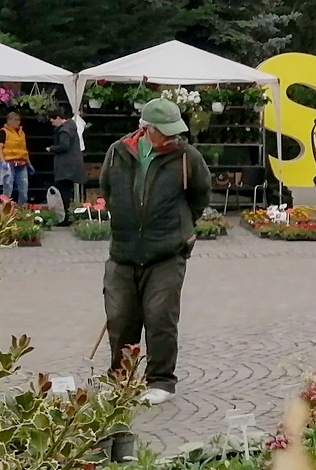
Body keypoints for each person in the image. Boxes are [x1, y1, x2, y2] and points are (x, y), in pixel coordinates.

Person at [100, 99, 213, 403]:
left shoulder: (188, 156)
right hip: (123, 252)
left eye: (176, 131)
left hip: (167, 252)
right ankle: (120, 379)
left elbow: (200, 194)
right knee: (120, 318)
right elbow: (107, 190)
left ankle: (161, 381)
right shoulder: (117, 153)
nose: (173, 137)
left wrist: (179, 226)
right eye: (166, 131)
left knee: (160, 317)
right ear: (147, 129)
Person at [49, 111, 85, 224]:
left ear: (58, 118)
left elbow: (64, 145)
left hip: (66, 166)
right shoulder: (71, 127)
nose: (52, 124)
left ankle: (65, 217)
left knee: (63, 191)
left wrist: (52, 148)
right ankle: (68, 215)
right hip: (72, 165)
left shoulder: (64, 130)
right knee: (67, 190)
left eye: (53, 121)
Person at [0, 110, 33, 204]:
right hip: (8, 164)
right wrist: (3, 162)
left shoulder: (21, 133)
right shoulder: (3, 132)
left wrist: (29, 164)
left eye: (19, 120)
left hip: (22, 163)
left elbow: (24, 150)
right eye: (15, 120)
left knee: (24, 189)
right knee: (8, 188)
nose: (18, 122)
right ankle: (5, 211)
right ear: (9, 121)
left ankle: (21, 210)